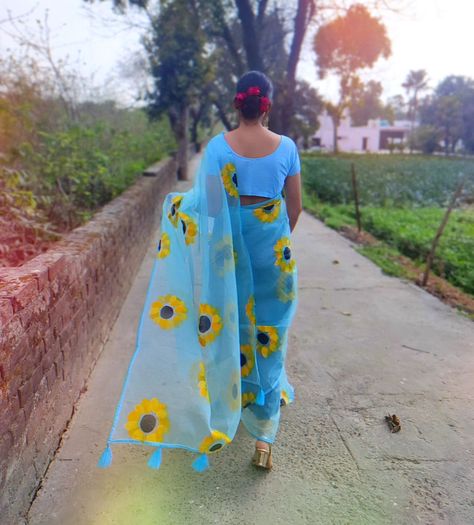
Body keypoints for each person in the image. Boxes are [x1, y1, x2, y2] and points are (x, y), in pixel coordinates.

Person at [97, 70, 302, 473]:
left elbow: (210, 208)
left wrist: (189, 209)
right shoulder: (288, 147)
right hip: (274, 260)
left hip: (229, 261)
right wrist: (270, 238)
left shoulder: (218, 149)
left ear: (234, 104)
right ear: (268, 106)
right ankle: (264, 439)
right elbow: (293, 208)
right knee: (271, 335)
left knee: (232, 329)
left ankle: (229, 400)